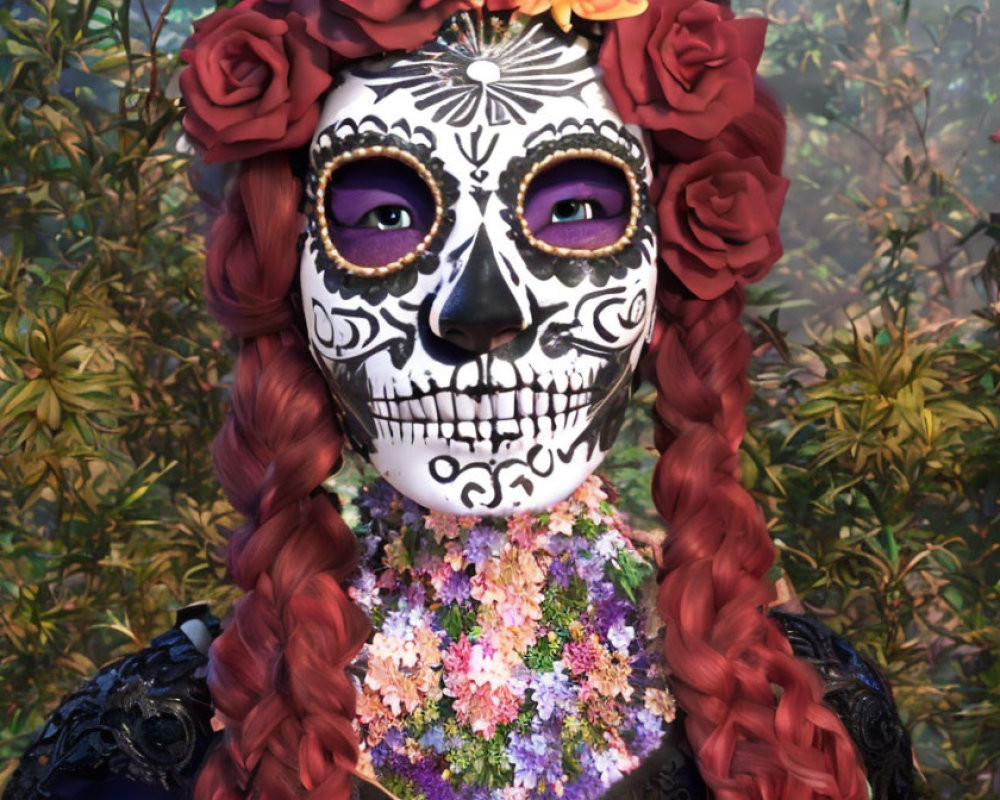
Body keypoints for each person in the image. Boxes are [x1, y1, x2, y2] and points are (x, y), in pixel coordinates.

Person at [3, 2, 914, 800]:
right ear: (291, 293)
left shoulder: (812, 722)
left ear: (669, 279)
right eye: (384, 217)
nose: (481, 310)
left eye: (573, 211)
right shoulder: (140, 749)